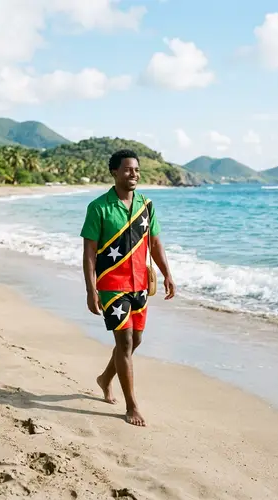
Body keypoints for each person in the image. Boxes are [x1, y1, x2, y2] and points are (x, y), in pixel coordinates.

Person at [80, 149, 176, 426]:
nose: (133, 174)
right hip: (112, 285)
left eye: (136, 170)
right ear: (114, 172)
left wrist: (167, 273)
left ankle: (105, 378)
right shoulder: (99, 208)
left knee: (137, 341)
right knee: (124, 343)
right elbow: (89, 254)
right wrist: (91, 290)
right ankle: (132, 406)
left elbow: (155, 243)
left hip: (140, 285)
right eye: (127, 170)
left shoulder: (147, 205)